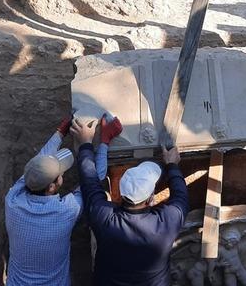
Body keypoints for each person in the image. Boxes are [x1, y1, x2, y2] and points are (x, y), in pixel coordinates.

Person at [72, 116, 188, 285]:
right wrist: (172, 165)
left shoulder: (104, 218)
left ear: (121, 193)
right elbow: (181, 196)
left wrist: (85, 144)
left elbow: (89, 182)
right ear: (151, 198)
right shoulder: (167, 222)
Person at [4, 116, 81, 285]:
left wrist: (60, 133)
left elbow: (36, 167)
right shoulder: (67, 211)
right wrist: (89, 147)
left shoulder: (12, 201)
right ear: (52, 187)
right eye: (60, 174)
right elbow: (91, 184)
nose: (62, 175)